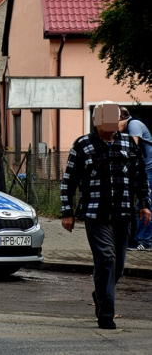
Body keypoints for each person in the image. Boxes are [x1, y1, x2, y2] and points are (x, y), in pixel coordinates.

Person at [61, 101, 151, 330]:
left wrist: (144, 205)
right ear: (97, 120)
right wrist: (67, 212)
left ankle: (100, 293)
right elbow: (68, 181)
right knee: (107, 259)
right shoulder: (82, 145)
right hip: (96, 215)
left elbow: (140, 176)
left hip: (123, 215)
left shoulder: (128, 143)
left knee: (118, 266)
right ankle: (106, 314)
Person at [120, 107, 152, 250]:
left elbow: (132, 149)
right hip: (141, 170)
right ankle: (137, 239)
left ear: (121, 117)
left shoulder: (133, 125)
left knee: (145, 204)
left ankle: (145, 241)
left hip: (149, 169)